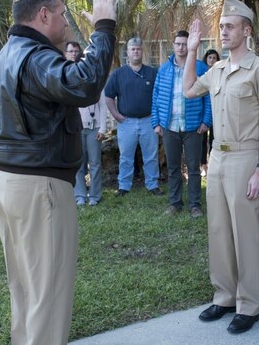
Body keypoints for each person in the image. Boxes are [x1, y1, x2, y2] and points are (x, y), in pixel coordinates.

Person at [0, 0, 116, 345]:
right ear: (43, 14)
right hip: (41, 187)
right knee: (48, 284)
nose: (67, 22)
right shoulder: (36, 57)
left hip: (9, 183)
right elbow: (84, 83)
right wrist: (105, 28)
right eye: (62, 13)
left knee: (25, 285)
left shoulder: (0, 59)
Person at [183, 0, 259, 334]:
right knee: (220, 231)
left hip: (244, 157)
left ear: (247, 30)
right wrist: (192, 51)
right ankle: (224, 296)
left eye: (230, 26)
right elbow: (187, 90)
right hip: (218, 158)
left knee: (245, 235)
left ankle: (249, 304)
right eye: (221, 26)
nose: (223, 31)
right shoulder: (218, 70)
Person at [152, 30, 211, 218]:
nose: (181, 47)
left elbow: (209, 98)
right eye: (178, 44)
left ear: (190, 45)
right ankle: (175, 203)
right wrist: (156, 122)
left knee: (194, 168)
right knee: (173, 167)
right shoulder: (164, 69)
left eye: (184, 44)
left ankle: (195, 205)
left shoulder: (200, 68)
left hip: (193, 126)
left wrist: (206, 121)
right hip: (170, 126)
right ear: (173, 45)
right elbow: (156, 97)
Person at [104, 38, 163, 196]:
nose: (136, 51)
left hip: (148, 121)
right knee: (126, 156)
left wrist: (158, 119)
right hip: (126, 122)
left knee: (150, 156)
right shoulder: (118, 74)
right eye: (132, 49)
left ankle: (152, 185)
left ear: (142, 51)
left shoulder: (152, 73)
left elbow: (160, 96)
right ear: (127, 52)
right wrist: (116, 115)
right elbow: (108, 96)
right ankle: (124, 186)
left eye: (138, 49)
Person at [65, 41, 108, 207]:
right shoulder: (65, 75)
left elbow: (103, 105)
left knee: (95, 164)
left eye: (77, 51)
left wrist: (103, 128)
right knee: (79, 164)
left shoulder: (93, 76)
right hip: (76, 128)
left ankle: (95, 196)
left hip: (94, 127)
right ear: (66, 53)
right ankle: (80, 195)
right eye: (71, 51)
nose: (74, 54)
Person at [200, 49, 220, 177]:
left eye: (214, 58)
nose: (212, 60)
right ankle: (203, 166)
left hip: (217, 111)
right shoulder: (202, 73)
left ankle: (213, 165)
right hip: (203, 112)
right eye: (210, 58)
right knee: (202, 140)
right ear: (206, 59)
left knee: (214, 138)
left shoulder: (221, 74)